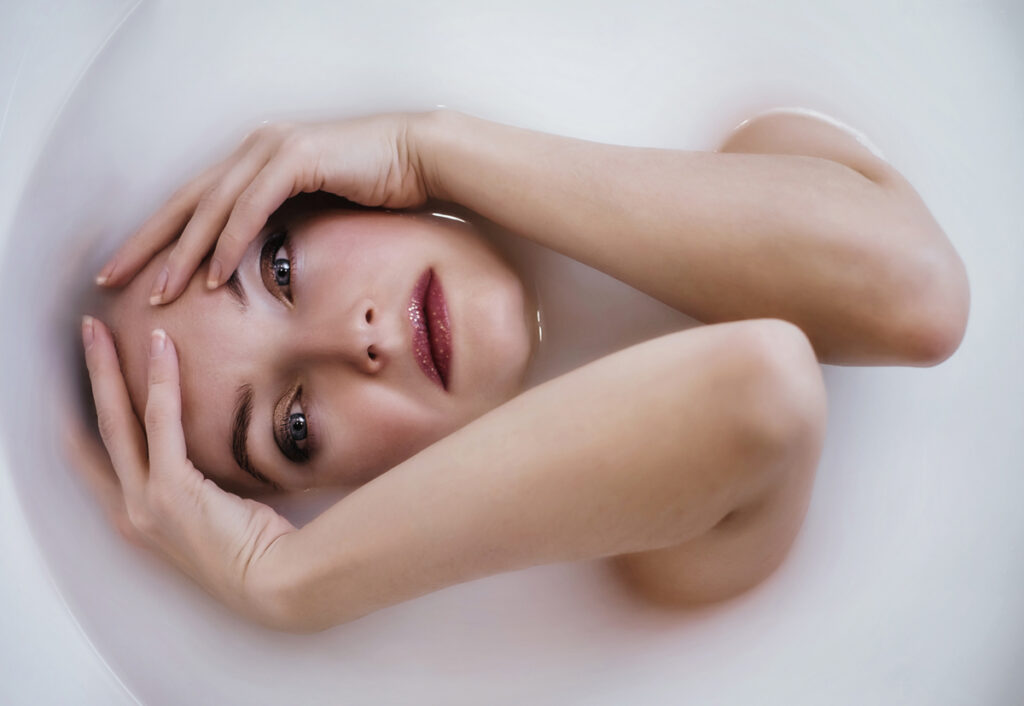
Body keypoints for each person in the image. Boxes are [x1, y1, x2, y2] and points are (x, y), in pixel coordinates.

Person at [79, 108, 970, 632]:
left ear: (322, 196)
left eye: (279, 270)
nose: (359, 343)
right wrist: (288, 580)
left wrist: (421, 148)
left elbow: (919, 294)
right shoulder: (656, 561)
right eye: (295, 425)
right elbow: (761, 383)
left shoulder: (678, 128)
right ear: (338, 493)